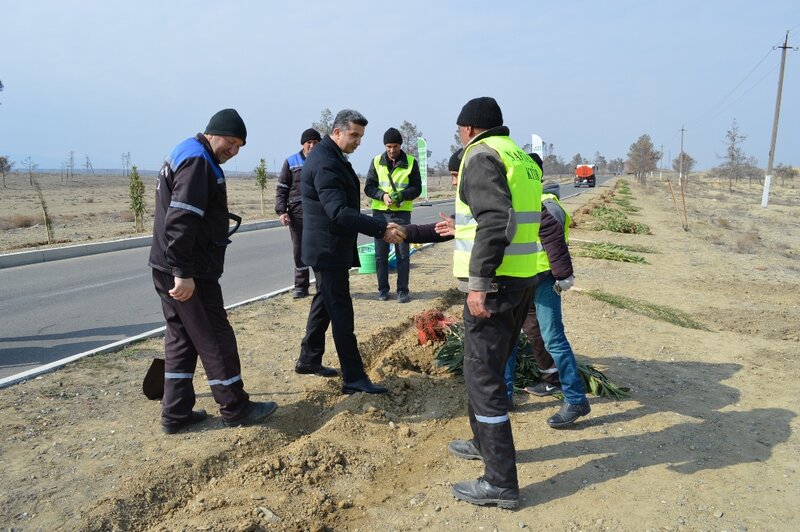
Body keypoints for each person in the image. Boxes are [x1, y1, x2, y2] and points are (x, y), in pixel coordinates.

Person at [445, 97, 549, 510]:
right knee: (487, 369)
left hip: (496, 284)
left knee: (483, 378)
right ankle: (482, 443)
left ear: (469, 129)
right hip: (521, 278)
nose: (459, 137)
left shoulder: (480, 155)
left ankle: (500, 482)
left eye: (459, 131)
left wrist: (479, 284)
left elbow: (493, 218)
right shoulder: (519, 156)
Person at [149, 108, 277, 434]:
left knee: (181, 339)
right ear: (213, 133)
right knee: (215, 338)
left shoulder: (187, 151)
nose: (232, 152)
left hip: (167, 265)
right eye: (231, 143)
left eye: (239, 147)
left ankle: (175, 413)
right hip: (189, 271)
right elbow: (181, 219)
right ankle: (236, 407)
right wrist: (183, 272)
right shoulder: (198, 162)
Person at [296, 109, 406, 394]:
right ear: (336, 132)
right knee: (341, 313)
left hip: (329, 249)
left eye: (361, 136)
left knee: (324, 303)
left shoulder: (331, 157)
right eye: (354, 135)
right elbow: (338, 212)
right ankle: (354, 378)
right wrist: (380, 228)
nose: (358, 141)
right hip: (327, 251)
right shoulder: (325, 162)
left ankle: (309, 359)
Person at [504, 178, 591, 428]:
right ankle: (504, 395)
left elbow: (554, 244)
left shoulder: (547, 205)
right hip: (523, 277)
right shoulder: (524, 202)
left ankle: (575, 399)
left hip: (544, 280)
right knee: (509, 336)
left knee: (553, 338)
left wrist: (563, 276)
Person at [364, 127, 422, 303]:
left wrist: (402, 195)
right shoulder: (375, 162)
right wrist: (383, 196)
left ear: (400, 145)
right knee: (381, 255)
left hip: (402, 214)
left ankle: (402, 291)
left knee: (402, 254)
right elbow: (369, 187)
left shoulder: (411, 162)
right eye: (388, 146)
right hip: (380, 214)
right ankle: (383, 290)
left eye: (395, 146)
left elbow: (417, 188)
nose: (391, 150)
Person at [276, 128, 321, 299]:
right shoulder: (291, 162)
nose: (312, 146)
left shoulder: (323, 160)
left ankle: (321, 284)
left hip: (318, 214)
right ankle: (301, 286)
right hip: (297, 214)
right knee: (299, 250)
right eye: (309, 142)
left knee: (318, 249)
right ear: (303, 144)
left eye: (315, 143)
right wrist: (281, 211)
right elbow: (282, 188)